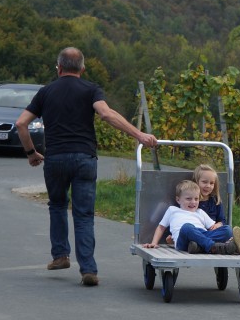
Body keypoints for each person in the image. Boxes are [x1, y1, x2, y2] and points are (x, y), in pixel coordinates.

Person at [16, 47, 158, 287]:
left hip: (56, 159)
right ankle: (88, 270)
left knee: (58, 205)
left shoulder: (45, 92)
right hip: (84, 159)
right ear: (82, 69)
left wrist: (31, 153)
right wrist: (139, 134)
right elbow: (105, 114)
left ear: (58, 68)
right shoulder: (91, 89)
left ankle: (60, 256)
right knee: (83, 215)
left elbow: (21, 124)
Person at [144, 180, 238, 255]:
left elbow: (212, 228)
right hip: (183, 238)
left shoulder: (200, 212)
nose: (193, 202)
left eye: (196, 199)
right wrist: (154, 242)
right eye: (188, 199)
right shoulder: (172, 210)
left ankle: (198, 247)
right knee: (187, 227)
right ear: (178, 199)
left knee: (227, 229)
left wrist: (220, 225)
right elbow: (161, 227)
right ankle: (212, 247)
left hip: (202, 235)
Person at [192, 163, 240, 255]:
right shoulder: (192, 200)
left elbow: (222, 220)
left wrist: (218, 224)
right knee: (190, 232)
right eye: (204, 182)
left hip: (213, 233)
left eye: (211, 183)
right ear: (196, 181)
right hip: (198, 232)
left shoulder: (215, 200)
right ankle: (233, 246)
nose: (208, 186)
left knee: (227, 230)